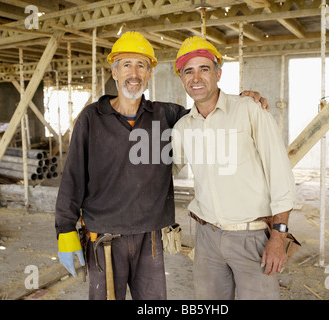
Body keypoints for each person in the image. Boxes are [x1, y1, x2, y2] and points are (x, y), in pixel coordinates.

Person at [54, 31, 268, 300]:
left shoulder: (166, 114)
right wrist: (65, 229)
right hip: (104, 238)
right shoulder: (91, 117)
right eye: (126, 65)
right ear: (114, 71)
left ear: (149, 74)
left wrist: (241, 100)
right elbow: (72, 177)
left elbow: (208, 113)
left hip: (150, 237)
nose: (134, 73)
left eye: (141, 65)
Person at [171, 36, 296, 300]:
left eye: (204, 69)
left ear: (218, 73)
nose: (196, 78)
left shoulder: (250, 110)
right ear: (181, 79)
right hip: (207, 238)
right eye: (188, 71)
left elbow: (280, 175)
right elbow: (164, 171)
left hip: (252, 238)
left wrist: (279, 236)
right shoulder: (183, 127)